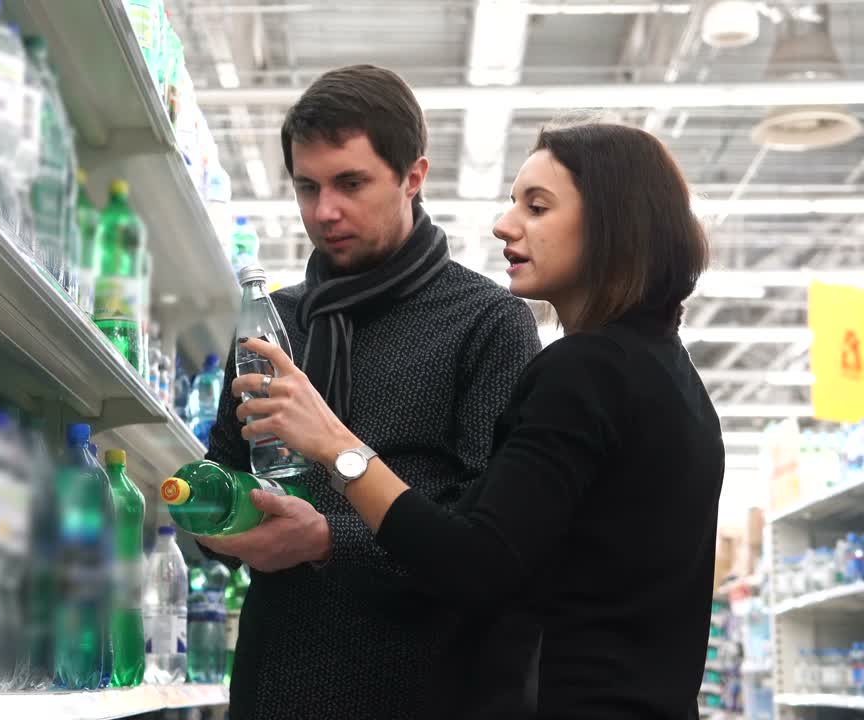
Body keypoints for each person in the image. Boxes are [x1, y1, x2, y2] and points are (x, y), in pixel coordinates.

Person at [227, 121, 724, 719]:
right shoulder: (675, 379)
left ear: (614, 224)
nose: (504, 224)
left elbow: (474, 560)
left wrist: (336, 447)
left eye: (537, 207)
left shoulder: (581, 368)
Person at [195, 65, 542, 719]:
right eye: (307, 187)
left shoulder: (487, 323)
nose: (325, 211)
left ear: (413, 176)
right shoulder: (274, 322)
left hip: (420, 688)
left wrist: (328, 540)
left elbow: (484, 549)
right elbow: (226, 471)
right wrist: (215, 520)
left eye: (350, 183)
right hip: (274, 686)